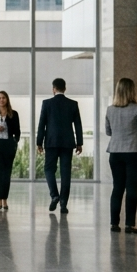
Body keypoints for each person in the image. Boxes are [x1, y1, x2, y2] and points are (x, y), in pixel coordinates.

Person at [105, 78, 137, 234]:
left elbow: (108, 132)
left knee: (117, 188)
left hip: (115, 152)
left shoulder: (110, 110)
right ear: (132, 91)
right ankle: (130, 225)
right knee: (132, 189)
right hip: (134, 152)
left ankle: (114, 224)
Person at [36, 78, 83, 214]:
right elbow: (78, 125)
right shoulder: (73, 104)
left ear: (53, 89)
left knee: (49, 169)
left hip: (51, 142)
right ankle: (63, 203)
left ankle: (54, 195)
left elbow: (42, 124)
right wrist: (79, 143)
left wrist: (39, 142)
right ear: (65, 88)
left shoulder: (47, 103)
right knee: (65, 172)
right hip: (67, 143)